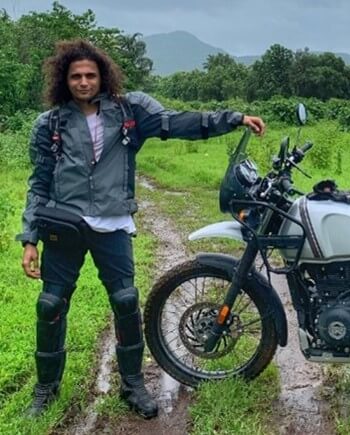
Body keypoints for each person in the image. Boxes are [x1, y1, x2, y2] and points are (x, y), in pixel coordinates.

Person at [16, 39, 265, 418]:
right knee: (50, 304)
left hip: (112, 222)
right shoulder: (49, 124)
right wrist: (29, 238)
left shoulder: (129, 112)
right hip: (63, 224)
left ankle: (132, 384)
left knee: (126, 301)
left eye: (90, 75)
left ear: (103, 76)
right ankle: (45, 388)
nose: (83, 82)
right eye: (75, 76)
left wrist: (231, 119)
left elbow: (178, 121)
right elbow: (39, 183)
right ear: (64, 80)